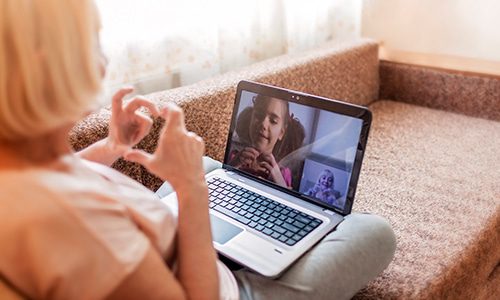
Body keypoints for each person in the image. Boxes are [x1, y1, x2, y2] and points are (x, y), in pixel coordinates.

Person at [0, 1, 396, 299]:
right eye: (91, 42)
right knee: (374, 231)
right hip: (223, 288)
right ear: (47, 64)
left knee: (211, 166)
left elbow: (61, 173)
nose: (103, 64)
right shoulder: (78, 225)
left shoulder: (19, 167)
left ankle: (240, 222)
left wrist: (113, 146)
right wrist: (191, 189)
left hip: (171, 243)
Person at [228, 95, 305, 188]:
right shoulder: (234, 158)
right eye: (259, 115)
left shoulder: (282, 174)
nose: (263, 124)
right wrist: (233, 166)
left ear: (281, 132)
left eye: (273, 120)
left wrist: (280, 184)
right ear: (250, 121)